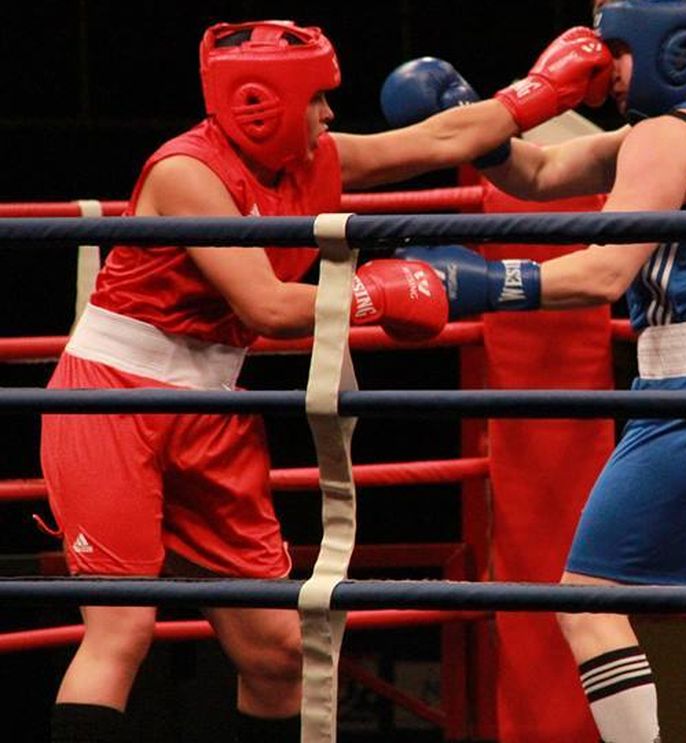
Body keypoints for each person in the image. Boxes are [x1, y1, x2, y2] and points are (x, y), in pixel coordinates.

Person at [38, 19, 611, 743]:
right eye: (316, 99)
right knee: (122, 633)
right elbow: (268, 308)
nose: (329, 114)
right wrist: (380, 292)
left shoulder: (316, 161)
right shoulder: (187, 173)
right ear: (261, 103)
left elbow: (441, 139)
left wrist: (544, 91)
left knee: (282, 654)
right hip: (113, 397)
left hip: (209, 404)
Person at [385, 1, 686, 740]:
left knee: (587, 603)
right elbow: (540, 172)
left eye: (616, 48)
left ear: (669, 49)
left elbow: (605, 274)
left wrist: (480, 283)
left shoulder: (664, 140)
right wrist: (477, 123)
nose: (601, 66)